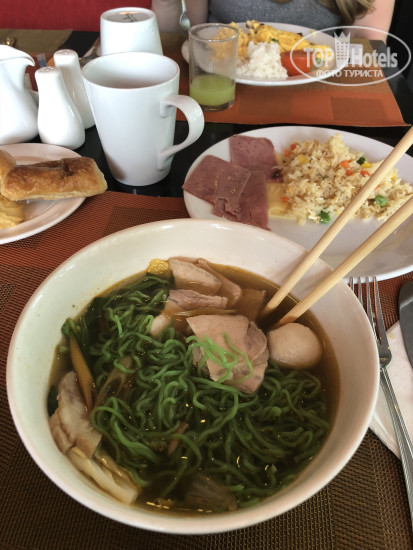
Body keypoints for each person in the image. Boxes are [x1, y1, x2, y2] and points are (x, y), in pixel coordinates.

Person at [151, 0, 395, 41]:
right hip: (221, 82)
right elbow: (190, 33)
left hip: (320, 82)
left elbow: (367, 44)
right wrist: (166, 3)